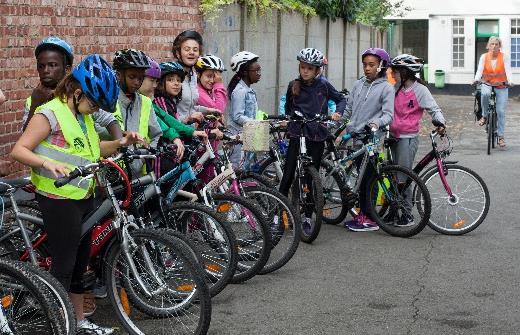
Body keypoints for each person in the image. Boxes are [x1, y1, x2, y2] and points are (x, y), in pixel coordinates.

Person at [10, 54, 144, 334]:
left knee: (81, 265)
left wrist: (120, 142)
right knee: (64, 266)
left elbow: (93, 152)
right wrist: (46, 163)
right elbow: (19, 150)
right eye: (93, 103)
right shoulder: (49, 113)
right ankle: (58, 325)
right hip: (58, 200)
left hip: (83, 197)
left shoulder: (81, 116)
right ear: (77, 91)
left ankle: (79, 321)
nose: (95, 110)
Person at [278, 48, 346, 234]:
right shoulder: (294, 85)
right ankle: (277, 214)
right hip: (297, 132)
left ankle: (308, 217)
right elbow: (289, 109)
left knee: (311, 176)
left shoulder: (323, 85)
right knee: (288, 174)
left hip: (317, 134)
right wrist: (287, 117)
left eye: (310, 68)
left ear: (318, 70)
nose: (305, 71)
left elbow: (340, 99)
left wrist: (337, 113)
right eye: (302, 67)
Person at [23, 36, 122, 140]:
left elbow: (109, 120)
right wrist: (35, 104)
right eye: (41, 66)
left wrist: (120, 142)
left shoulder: (78, 94)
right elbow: (26, 137)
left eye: (52, 65)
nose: (46, 70)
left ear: (67, 69)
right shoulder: (32, 100)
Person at [388, 54, 446, 226]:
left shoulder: (420, 90)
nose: (393, 74)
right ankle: (392, 211)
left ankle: (406, 213)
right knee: (392, 176)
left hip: (407, 138)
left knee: (403, 177)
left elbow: (434, 109)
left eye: (396, 71)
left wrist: (441, 122)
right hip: (391, 137)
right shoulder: (395, 88)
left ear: (406, 72)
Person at [342, 47, 395, 232]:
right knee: (360, 177)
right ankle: (363, 214)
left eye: (371, 65)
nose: (367, 68)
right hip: (355, 138)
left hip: (372, 140)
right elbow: (348, 110)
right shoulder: (358, 84)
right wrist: (338, 123)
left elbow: (389, 115)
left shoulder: (387, 88)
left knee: (369, 179)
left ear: (381, 66)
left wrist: (375, 123)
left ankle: (369, 218)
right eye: (365, 65)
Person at [111, 49, 162, 174]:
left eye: (141, 78)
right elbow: (97, 130)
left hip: (138, 173)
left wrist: (146, 154)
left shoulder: (145, 102)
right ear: (118, 75)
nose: (137, 82)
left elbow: (157, 134)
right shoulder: (108, 99)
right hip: (112, 172)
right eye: (132, 77)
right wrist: (123, 133)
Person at [149, 61, 207, 163]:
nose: (176, 83)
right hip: (164, 154)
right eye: (170, 80)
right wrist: (191, 132)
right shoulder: (161, 101)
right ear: (161, 83)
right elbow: (170, 124)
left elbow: (175, 123)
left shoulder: (171, 102)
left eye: (179, 80)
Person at [473, 36, 514, 147]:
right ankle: (485, 116)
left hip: (502, 85)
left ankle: (501, 136)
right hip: (487, 83)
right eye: (492, 44)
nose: (494, 46)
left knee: (500, 111)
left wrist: (510, 81)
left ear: (499, 46)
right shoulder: (484, 57)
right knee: (485, 94)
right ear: (488, 46)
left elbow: (508, 70)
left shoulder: (504, 57)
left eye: (496, 44)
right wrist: (476, 79)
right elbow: (480, 70)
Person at [226, 51, 262, 168]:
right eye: (256, 71)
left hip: (249, 134)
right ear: (245, 72)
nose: (259, 74)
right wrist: (255, 124)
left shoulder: (248, 90)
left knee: (249, 168)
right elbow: (237, 116)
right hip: (238, 139)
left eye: (259, 70)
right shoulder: (240, 91)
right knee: (237, 170)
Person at [171, 30, 215, 125]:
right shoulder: (172, 77)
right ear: (178, 53)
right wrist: (188, 119)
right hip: (176, 133)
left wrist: (209, 111)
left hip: (192, 132)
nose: (191, 53)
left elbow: (190, 107)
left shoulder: (193, 76)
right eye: (187, 49)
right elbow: (167, 112)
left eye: (195, 50)